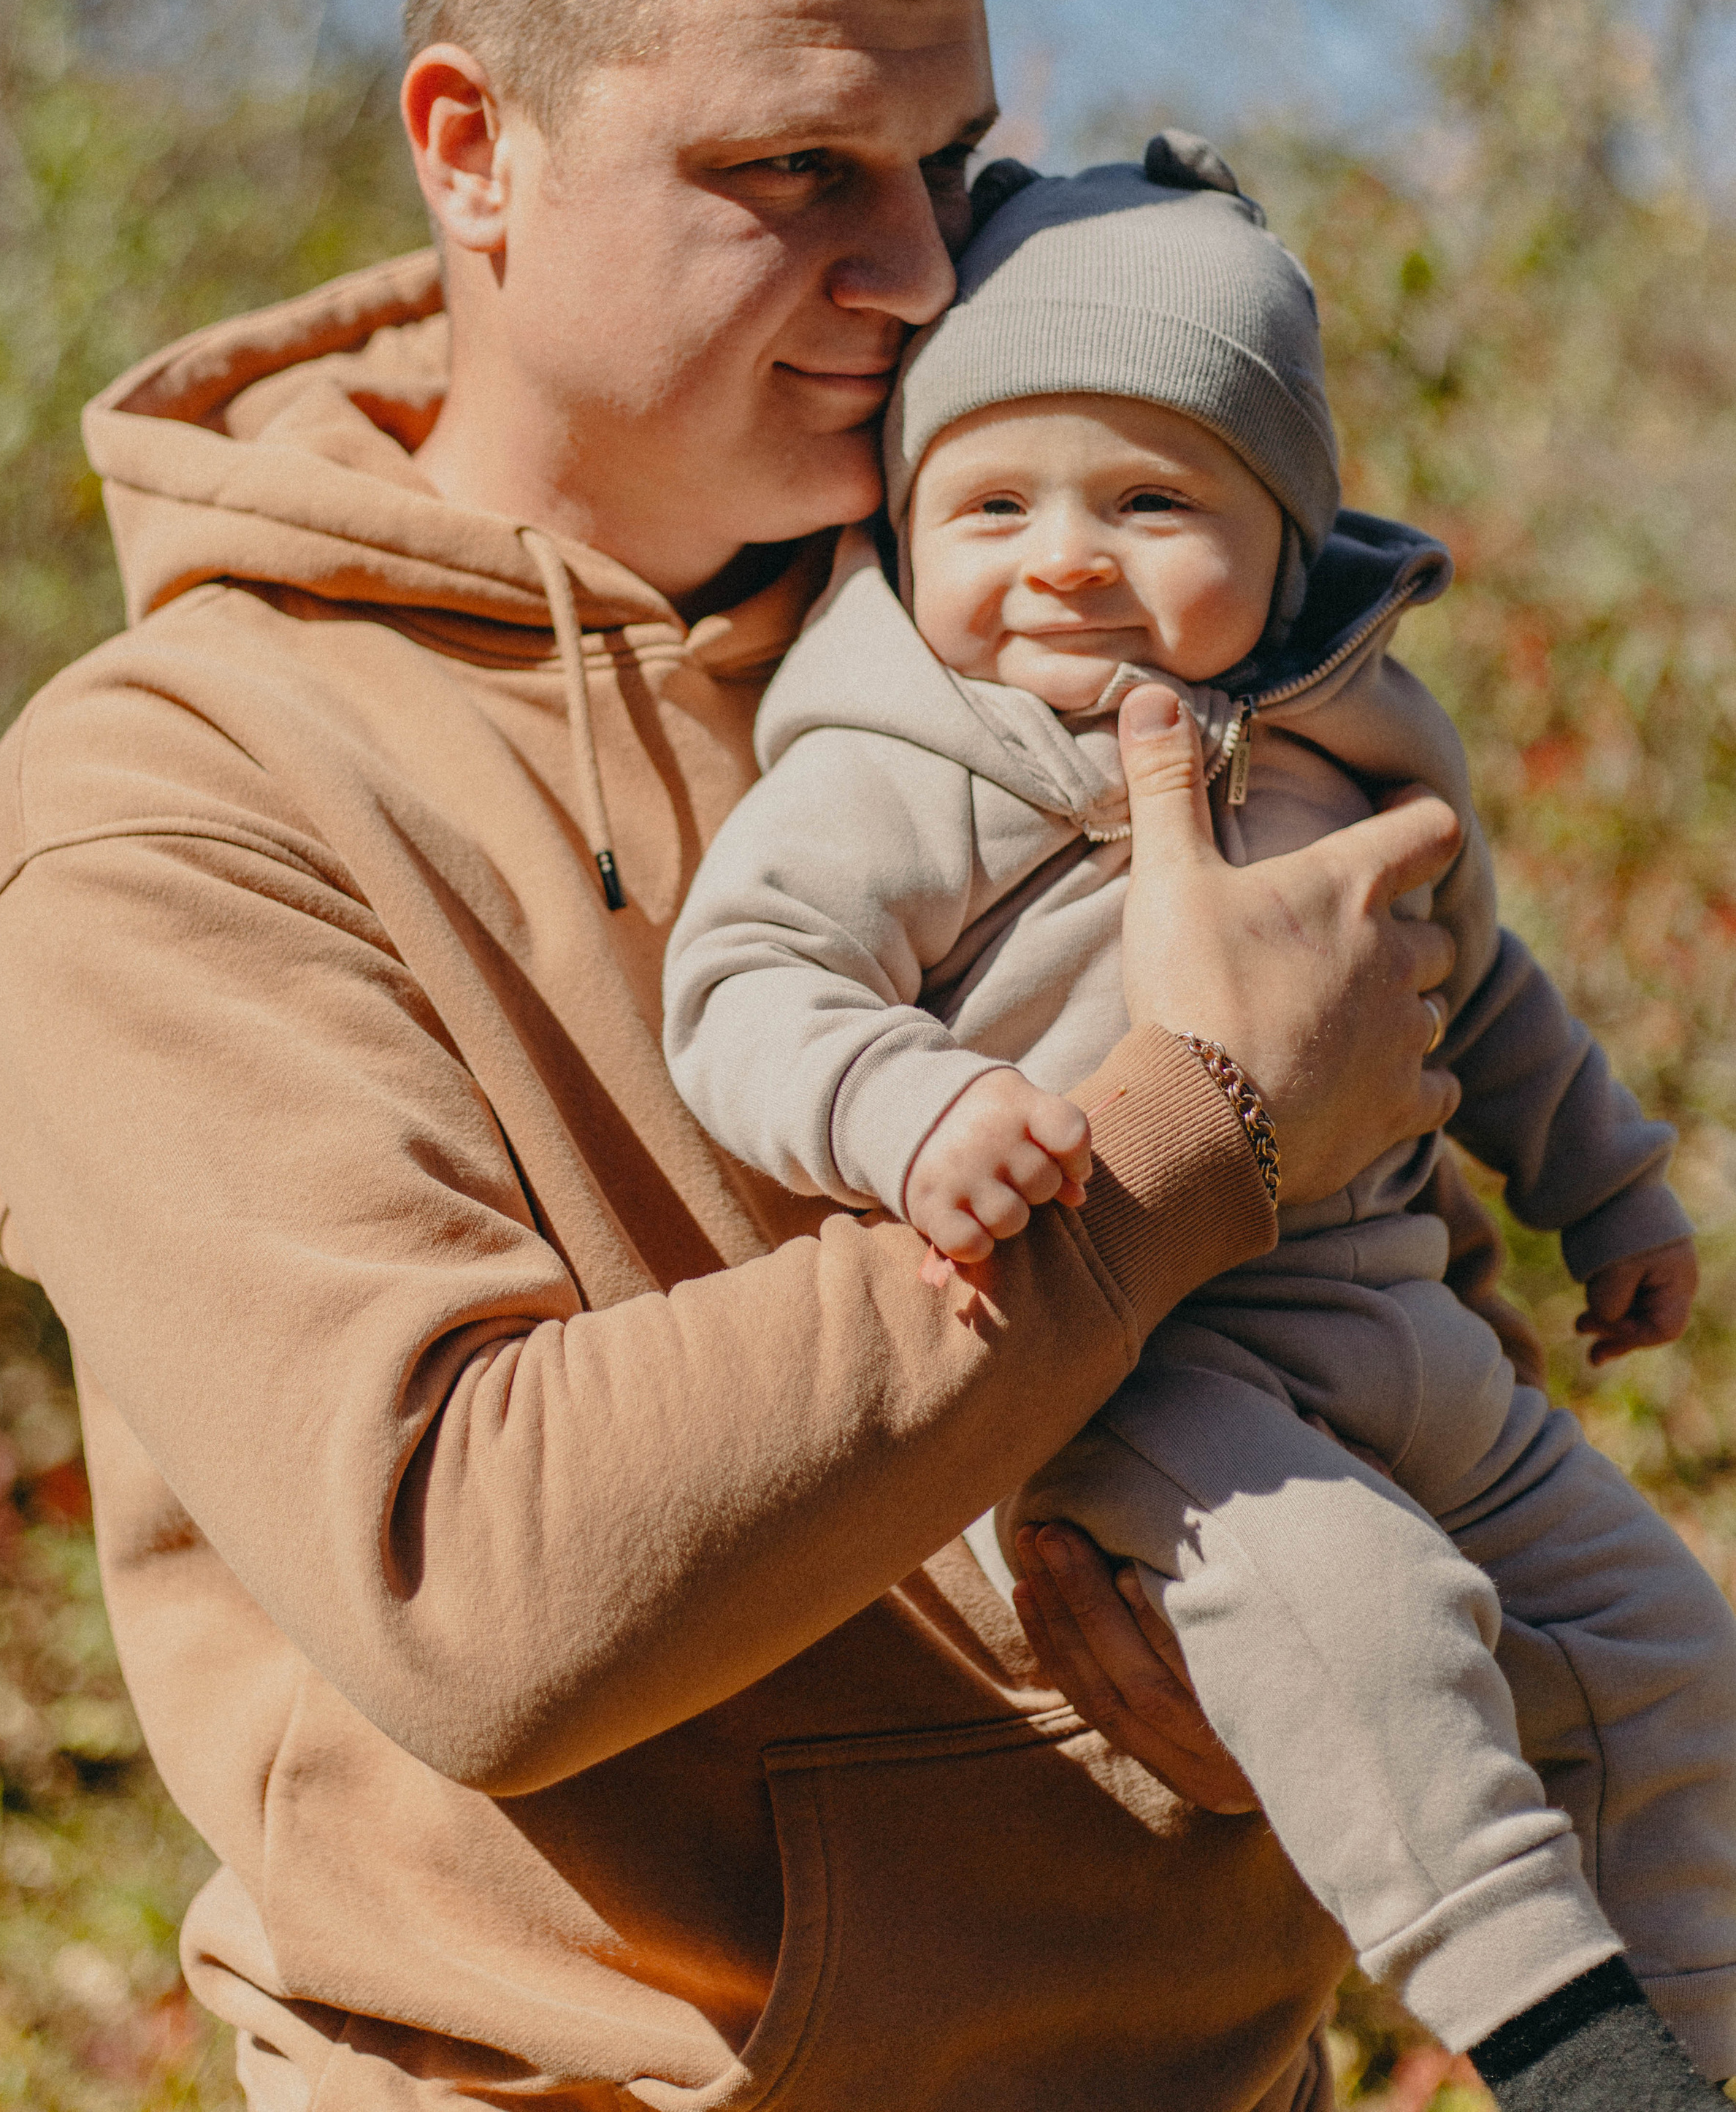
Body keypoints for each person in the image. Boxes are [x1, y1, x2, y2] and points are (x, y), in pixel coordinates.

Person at [0, 0, 1476, 2112]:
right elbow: (469, 1581)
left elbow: (1376, 1255)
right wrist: (1192, 1137)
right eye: (794, 173)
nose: (916, 273)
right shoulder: (173, 795)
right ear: (475, 148)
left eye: (948, 169)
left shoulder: (1024, 618)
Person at [662, 150, 1736, 2105]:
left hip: (1402, 1341)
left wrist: (1607, 1186)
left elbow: (1478, 988)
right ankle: (1571, 2051)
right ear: (907, 526)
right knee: (1368, 1619)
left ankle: (1695, 2047)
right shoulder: (911, 759)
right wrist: (920, 1109)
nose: (1065, 559)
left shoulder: (1362, 729)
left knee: (1664, 1646)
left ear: (1282, 527)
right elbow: (742, 987)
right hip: (1141, 1368)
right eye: (992, 505)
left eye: (1149, 501)